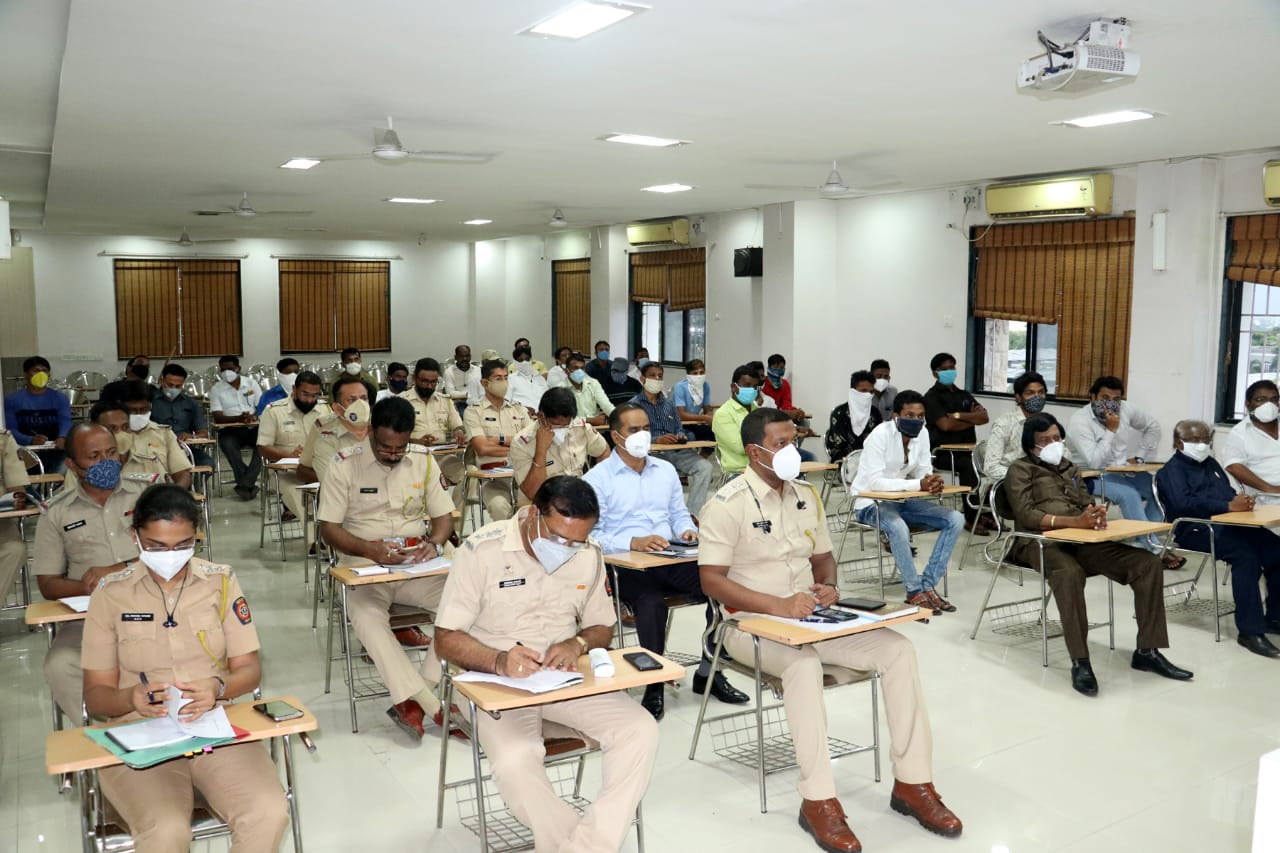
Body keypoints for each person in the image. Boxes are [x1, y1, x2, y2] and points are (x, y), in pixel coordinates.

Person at [700, 407, 963, 851]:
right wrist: (778, 605)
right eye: (781, 444)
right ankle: (818, 800)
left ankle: (913, 784)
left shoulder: (806, 494)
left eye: (793, 440)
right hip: (749, 625)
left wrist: (829, 587)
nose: (793, 451)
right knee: (802, 666)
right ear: (754, 452)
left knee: (898, 649)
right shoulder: (727, 504)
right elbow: (711, 580)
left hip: (812, 617)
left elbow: (822, 558)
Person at [434, 476, 659, 853]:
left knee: (640, 729)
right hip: (493, 684)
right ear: (534, 516)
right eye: (559, 538)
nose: (567, 549)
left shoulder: (588, 555)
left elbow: (602, 625)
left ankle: (586, 846)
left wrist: (578, 642)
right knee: (517, 759)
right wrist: (499, 660)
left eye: (577, 541)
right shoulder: (482, 550)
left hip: (562, 679)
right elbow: (446, 639)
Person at [82, 484, 288, 850]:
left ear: (196, 537)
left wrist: (218, 688)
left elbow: (249, 670)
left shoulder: (220, 581)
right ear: (135, 537)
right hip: (139, 733)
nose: (170, 556)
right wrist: (131, 697)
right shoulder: (110, 594)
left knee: (268, 811)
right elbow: (96, 698)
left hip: (214, 727)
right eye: (157, 546)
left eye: (182, 545)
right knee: (166, 830)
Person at [1004, 413, 1193, 696]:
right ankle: (1080, 661)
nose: (1053, 444)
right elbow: (1026, 514)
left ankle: (1147, 651)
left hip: (1082, 540)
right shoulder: (1020, 470)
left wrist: (1094, 514)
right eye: (1044, 441)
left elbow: (1085, 502)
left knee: (1147, 563)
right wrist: (1073, 522)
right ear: (1030, 446)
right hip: (1039, 542)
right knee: (1069, 574)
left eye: (1056, 438)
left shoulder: (1069, 467)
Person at [584, 403, 747, 721]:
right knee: (650, 603)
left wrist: (686, 530)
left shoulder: (665, 471)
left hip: (669, 555)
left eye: (645, 428)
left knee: (720, 586)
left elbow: (677, 514)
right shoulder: (597, 478)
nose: (642, 435)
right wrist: (633, 542)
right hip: (625, 563)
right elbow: (591, 536)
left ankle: (708, 671)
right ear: (615, 436)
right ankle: (654, 683)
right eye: (633, 430)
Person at [318, 397, 456, 739]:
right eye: (385, 446)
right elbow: (328, 529)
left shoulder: (423, 461)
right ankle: (430, 702)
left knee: (462, 605)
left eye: (400, 447)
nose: (393, 454)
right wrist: (369, 549)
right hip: (363, 565)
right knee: (366, 618)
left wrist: (435, 544)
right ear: (368, 434)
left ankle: (413, 699)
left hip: (417, 564)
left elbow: (443, 517)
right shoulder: (344, 464)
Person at [34, 423, 149, 718]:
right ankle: (108, 738)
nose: (106, 463)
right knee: (59, 664)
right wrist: (87, 587)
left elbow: (176, 550)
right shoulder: (57, 513)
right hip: (91, 614)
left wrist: (120, 570)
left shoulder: (147, 493)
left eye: (111, 453)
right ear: (72, 465)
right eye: (94, 456)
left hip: (156, 602)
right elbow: (48, 583)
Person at [1159, 418, 1280, 657]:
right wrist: (1227, 505)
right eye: (1195, 440)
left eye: (1206, 440)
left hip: (1228, 524)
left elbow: (1229, 493)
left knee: (1276, 548)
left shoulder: (1211, 464)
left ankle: (1274, 618)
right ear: (1178, 442)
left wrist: (1240, 502)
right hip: (1195, 529)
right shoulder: (1171, 471)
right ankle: (1250, 631)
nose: (1202, 445)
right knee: (1246, 557)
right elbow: (1183, 504)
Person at [852, 391, 964, 614]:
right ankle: (914, 591)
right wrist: (918, 485)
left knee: (955, 518)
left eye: (920, 416)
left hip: (902, 500)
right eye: (909, 415)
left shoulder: (922, 433)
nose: (916, 421)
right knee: (897, 527)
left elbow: (924, 471)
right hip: (869, 502)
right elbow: (874, 483)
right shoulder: (879, 435)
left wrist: (931, 481)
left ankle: (928, 585)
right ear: (895, 416)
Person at [1065, 375, 1171, 561]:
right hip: (1090, 475)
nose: (1110, 404)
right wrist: (1110, 431)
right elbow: (1094, 463)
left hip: (1121, 470)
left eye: (1116, 400)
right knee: (1129, 494)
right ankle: (1154, 549)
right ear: (1092, 397)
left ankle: (1141, 540)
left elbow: (1153, 426)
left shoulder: (1127, 409)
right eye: (1104, 398)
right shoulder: (1079, 421)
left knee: (1161, 488)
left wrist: (1140, 456)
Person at [630, 362, 713, 514]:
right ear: (642, 379)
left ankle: (692, 514)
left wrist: (680, 435)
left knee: (705, 467)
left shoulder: (668, 404)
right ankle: (659, 514)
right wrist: (656, 439)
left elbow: (679, 427)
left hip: (676, 450)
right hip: (652, 453)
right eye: (652, 376)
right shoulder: (634, 406)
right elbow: (633, 436)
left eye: (660, 376)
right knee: (664, 472)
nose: (657, 379)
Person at [922, 353, 991, 533]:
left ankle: (988, 514)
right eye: (944, 369)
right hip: (943, 453)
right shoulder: (931, 397)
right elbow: (945, 425)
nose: (949, 371)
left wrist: (958, 416)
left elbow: (984, 417)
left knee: (993, 464)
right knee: (969, 467)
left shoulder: (964, 395)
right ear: (935, 373)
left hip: (968, 450)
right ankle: (971, 518)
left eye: (952, 367)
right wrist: (971, 419)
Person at [508, 387, 609, 501]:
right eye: (555, 424)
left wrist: (597, 482)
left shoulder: (580, 428)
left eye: (566, 425)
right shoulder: (522, 442)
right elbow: (532, 493)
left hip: (577, 500)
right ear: (541, 416)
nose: (562, 429)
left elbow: (604, 451)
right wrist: (541, 450)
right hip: (541, 505)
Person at [257, 370, 329, 526]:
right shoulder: (274, 411)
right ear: (294, 390)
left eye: (315, 395)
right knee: (297, 494)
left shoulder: (324, 410)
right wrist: (290, 455)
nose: (310, 400)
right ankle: (315, 542)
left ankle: (332, 538)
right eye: (305, 394)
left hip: (319, 469)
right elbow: (263, 447)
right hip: (285, 472)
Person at [463, 361, 532, 521]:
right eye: (498, 378)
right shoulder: (474, 412)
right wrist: (517, 447)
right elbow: (483, 448)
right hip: (493, 479)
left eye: (506, 378)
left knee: (535, 507)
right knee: (499, 506)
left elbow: (531, 443)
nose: (504, 383)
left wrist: (499, 440)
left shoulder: (519, 409)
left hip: (522, 476)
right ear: (484, 383)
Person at [399, 358, 467, 507]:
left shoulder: (445, 401)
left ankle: (452, 523)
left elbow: (458, 426)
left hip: (442, 457)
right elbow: (393, 436)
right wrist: (417, 441)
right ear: (415, 378)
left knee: (467, 478)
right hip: (413, 457)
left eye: (433, 382)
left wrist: (459, 432)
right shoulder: (401, 401)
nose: (429, 386)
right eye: (424, 381)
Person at [983, 371, 1058, 483]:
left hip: (1040, 483)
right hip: (1006, 484)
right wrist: (1025, 476)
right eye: (1030, 393)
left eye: (1041, 392)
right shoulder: (1004, 424)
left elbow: (1061, 455)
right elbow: (990, 468)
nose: (1037, 397)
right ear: (1018, 398)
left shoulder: (1048, 423)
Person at [298, 375, 374, 485]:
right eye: (352, 400)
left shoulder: (382, 428)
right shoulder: (325, 431)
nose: (360, 405)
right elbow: (304, 468)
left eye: (364, 399)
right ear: (337, 408)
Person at [120, 381, 194, 489]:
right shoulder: (109, 435)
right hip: (121, 496)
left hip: (158, 497)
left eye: (143, 410)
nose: (138, 414)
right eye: (133, 410)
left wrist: (175, 494)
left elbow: (182, 474)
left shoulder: (164, 434)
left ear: (150, 407)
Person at [5, 355, 72, 473]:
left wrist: (63, 437)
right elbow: (10, 429)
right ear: (26, 374)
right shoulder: (12, 400)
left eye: (44, 371)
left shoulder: (60, 398)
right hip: (24, 452)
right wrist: (29, 440)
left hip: (55, 450)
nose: (41, 374)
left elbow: (66, 421)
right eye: (36, 370)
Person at [209, 355, 262, 501]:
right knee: (227, 444)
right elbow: (217, 417)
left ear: (238, 368)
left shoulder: (251, 384)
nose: (226, 372)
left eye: (230, 369)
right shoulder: (216, 389)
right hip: (229, 429)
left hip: (252, 427)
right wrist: (239, 418)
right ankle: (248, 484)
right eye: (223, 369)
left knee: (264, 444)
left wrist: (254, 416)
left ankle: (245, 484)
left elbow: (261, 407)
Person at [152, 363, 211, 466]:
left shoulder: (191, 403)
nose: (173, 388)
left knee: (207, 463)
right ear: (162, 381)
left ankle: (196, 482)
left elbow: (203, 433)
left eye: (178, 386)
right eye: (170, 385)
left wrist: (192, 437)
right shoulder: (150, 402)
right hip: (158, 449)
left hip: (186, 449)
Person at [711, 364, 761, 476]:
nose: (752, 390)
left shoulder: (756, 410)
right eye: (747, 386)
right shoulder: (723, 414)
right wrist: (768, 443)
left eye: (755, 387)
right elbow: (741, 448)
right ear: (734, 387)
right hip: (737, 472)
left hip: (761, 467)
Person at [0, 427, 31, 604]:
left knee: (15, 549)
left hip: (1, 523)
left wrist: (16, 498)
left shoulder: (3, 439)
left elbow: (17, 487)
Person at [825, 369, 882, 466]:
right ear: (853, 392)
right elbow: (840, 444)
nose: (867, 395)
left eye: (871, 392)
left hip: (871, 458)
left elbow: (879, 440)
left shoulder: (875, 413)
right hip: (844, 458)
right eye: (863, 391)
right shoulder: (839, 413)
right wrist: (861, 456)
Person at [564, 352, 614, 427]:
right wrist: (591, 420)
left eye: (582, 368)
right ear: (567, 370)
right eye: (575, 368)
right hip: (572, 431)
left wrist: (619, 416)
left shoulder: (593, 383)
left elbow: (606, 405)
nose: (579, 371)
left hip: (596, 430)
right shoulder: (560, 388)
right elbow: (563, 418)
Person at [673, 358, 715, 442]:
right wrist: (704, 417)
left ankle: (703, 455)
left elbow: (707, 409)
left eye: (701, 373)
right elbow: (681, 415)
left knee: (715, 433)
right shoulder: (680, 387)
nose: (699, 376)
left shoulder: (705, 386)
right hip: (677, 424)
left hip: (694, 422)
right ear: (688, 375)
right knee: (691, 437)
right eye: (695, 373)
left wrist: (711, 416)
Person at [508, 345, 550, 411]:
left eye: (527, 359)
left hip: (543, 416)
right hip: (522, 416)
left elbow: (548, 398)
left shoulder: (540, 379)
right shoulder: (510, 379)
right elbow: (507, 402)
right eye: (521, 360)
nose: (525, 362)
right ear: (515, 362)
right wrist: (523, 409)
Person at [443, 345, 479, 416]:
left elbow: (482, 390)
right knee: (464, 414)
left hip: (476, 402)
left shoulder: (478, 370)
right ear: (455, 357)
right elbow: (450, 393)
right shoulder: (449, 372)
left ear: (470, 356)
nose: (464, 358)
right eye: (461, 356)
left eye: (467, 356)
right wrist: (468, 394)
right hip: (459, 403)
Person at [870, 359, 899, 424]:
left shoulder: (893, 392)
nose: (882, 379)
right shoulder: (863, 393)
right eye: (879, 376)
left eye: (886, 376)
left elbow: (896, 414)